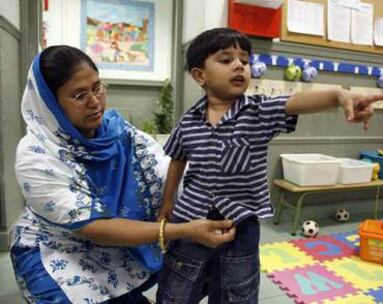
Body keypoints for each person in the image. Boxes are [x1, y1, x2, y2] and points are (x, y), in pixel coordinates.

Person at [155, 28, 383, 303]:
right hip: (190, 221)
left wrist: (340, 96)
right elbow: (177, 159)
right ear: (200, 76)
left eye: (244, 60)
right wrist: (167, 202)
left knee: (236, 292)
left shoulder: (258, 111)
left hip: (240, 226)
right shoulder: (188, 121)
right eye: (225, 59)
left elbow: (297, 102)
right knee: (178, 290)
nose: (238, 66)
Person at [10, 45, 236, 304]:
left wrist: (215, 185)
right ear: (51, 104)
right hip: (60, 247)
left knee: (205, 262)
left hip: (119, 245)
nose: (95, 102)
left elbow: (159, 168)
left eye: (97, 87)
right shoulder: (37, 154)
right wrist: (182, 230)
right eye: (79, 95)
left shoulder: (117, 131)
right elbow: (93, 228)